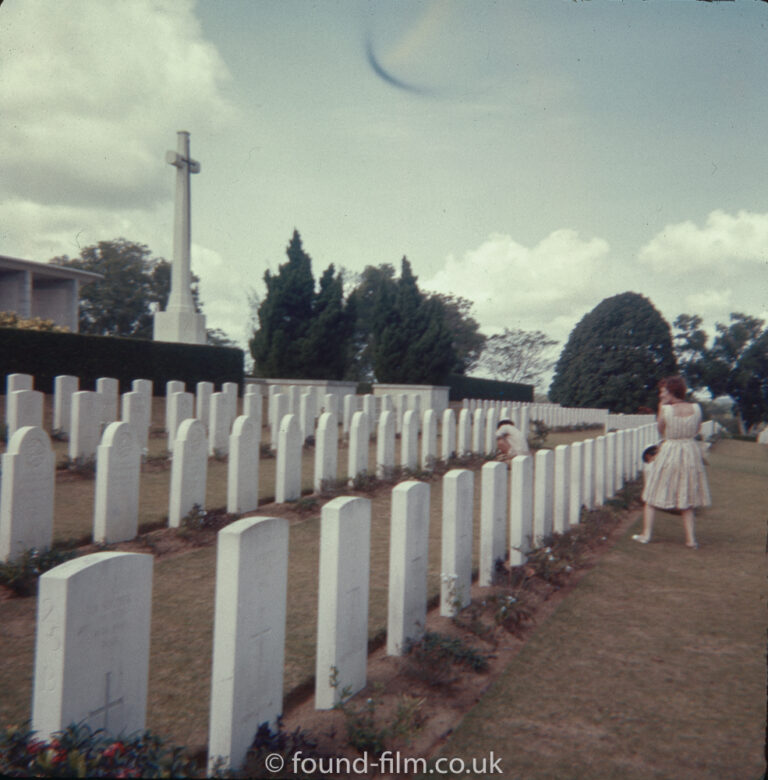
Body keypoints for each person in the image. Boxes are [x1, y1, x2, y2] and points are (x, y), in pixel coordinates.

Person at [633, 375, 711, 549]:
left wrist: (662, 410)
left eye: (663, 391)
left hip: (670, 451)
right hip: (689, 452)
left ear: (671, 391)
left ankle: (646, 535)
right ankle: (691, 540)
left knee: (652, 492)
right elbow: (697, 429)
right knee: (687, 495)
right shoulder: (696, 408)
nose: (661, 395)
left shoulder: (665, 409)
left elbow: (661, 430)